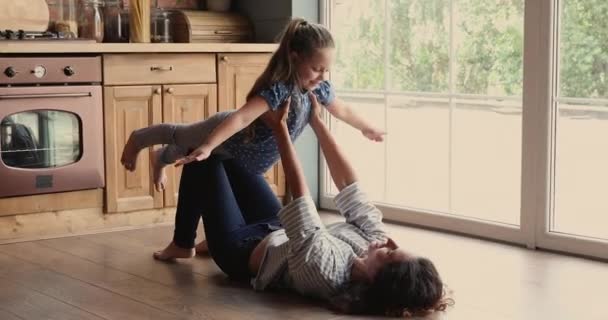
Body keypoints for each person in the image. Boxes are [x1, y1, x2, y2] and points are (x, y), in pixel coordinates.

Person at [154, 95, 452, 317]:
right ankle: (209, 234)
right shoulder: (371, 243)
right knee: (232, 150)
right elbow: (350, 186)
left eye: (389, 252)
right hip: (278, 229)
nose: (385, 240)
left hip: (241, 250)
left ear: (376, 278)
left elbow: (302, 200)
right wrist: (318, 123)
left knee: (201, 159)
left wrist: (280, 129)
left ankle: (184, 243)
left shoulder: (326, 272)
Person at [120, 18, 386, 191]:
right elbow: (241, 119)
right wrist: (209, 145)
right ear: (295, 58)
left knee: (182, 151)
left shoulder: (319, 90)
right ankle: (138, 139)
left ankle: (160, 158)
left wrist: (366, 128)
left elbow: (343, 110)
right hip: (226, 134)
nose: (322, 76)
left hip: (247, 161)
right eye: (317, 68)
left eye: (326, 70)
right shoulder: (280, 90)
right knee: (181, 135)